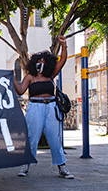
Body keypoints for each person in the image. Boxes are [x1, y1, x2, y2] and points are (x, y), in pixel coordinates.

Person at [14, 35, 74, 179]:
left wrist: (64, 45)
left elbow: (63, 60)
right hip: (35, 107)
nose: (41, 63)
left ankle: (62, 168)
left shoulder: (50, 76)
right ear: (34, 63)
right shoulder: (30, 77)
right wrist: (13, 77)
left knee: (55, 138)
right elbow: (20, 91)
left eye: (43, 61)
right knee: (31, 137)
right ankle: (25, 165)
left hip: (51, 107)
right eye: (38, 61)